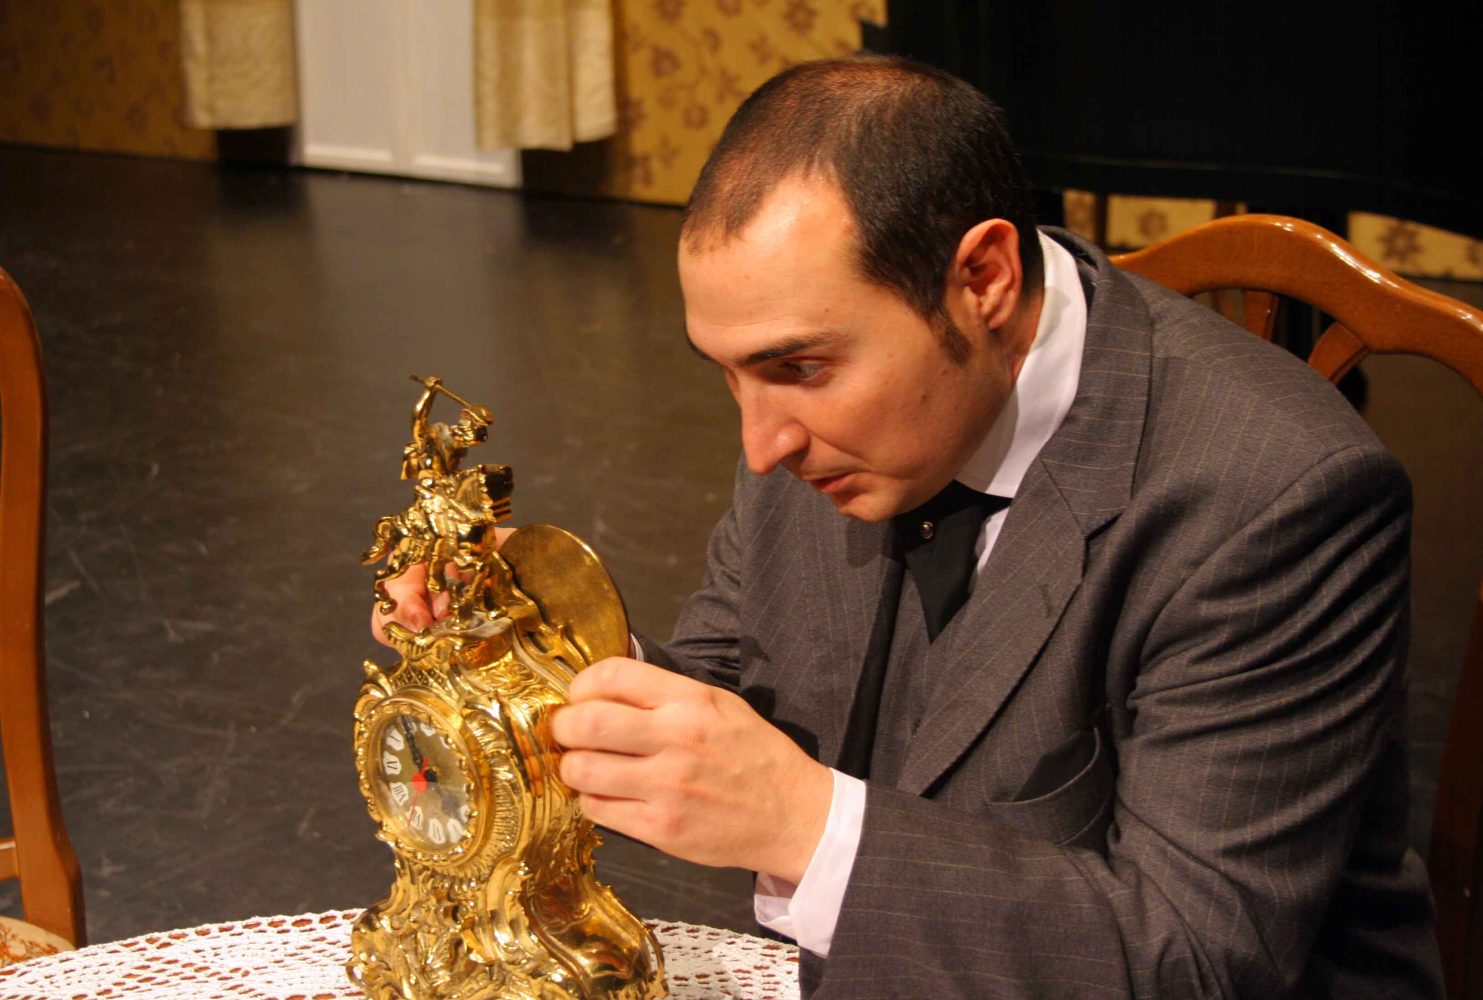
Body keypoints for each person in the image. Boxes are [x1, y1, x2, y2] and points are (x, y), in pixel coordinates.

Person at [375, 57, 1442, 998]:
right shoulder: (822, 417)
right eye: (730, 375)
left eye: (798, 367)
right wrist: (540, 655)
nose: (761, 446)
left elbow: (1194, 959)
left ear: (983, 279)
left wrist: (801, 822)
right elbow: (737, 689)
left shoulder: (1273, 498)